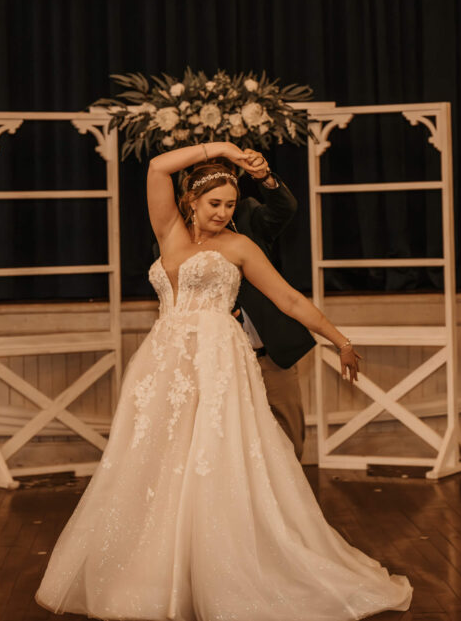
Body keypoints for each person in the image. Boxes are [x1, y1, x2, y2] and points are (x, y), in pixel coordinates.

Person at [35, 141, 412, 620]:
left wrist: (339, 340)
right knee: (156, 458)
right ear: (191, 200)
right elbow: (156, 166)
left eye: (231, 205)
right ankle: (157, 572)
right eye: (215, 203)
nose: (223, 212)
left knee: (214, 457)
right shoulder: (168, 230)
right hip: (165, 359)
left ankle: (229, 568)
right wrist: (223, 150)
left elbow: (289, 300)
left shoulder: (239, 245)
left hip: (218, 355)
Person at [232, 150, 315, 460]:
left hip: (270, 353)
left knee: (290, 439)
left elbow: (285, 208)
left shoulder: (247, 215)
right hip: (218, 360)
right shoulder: (175, 237)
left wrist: (264, 177)